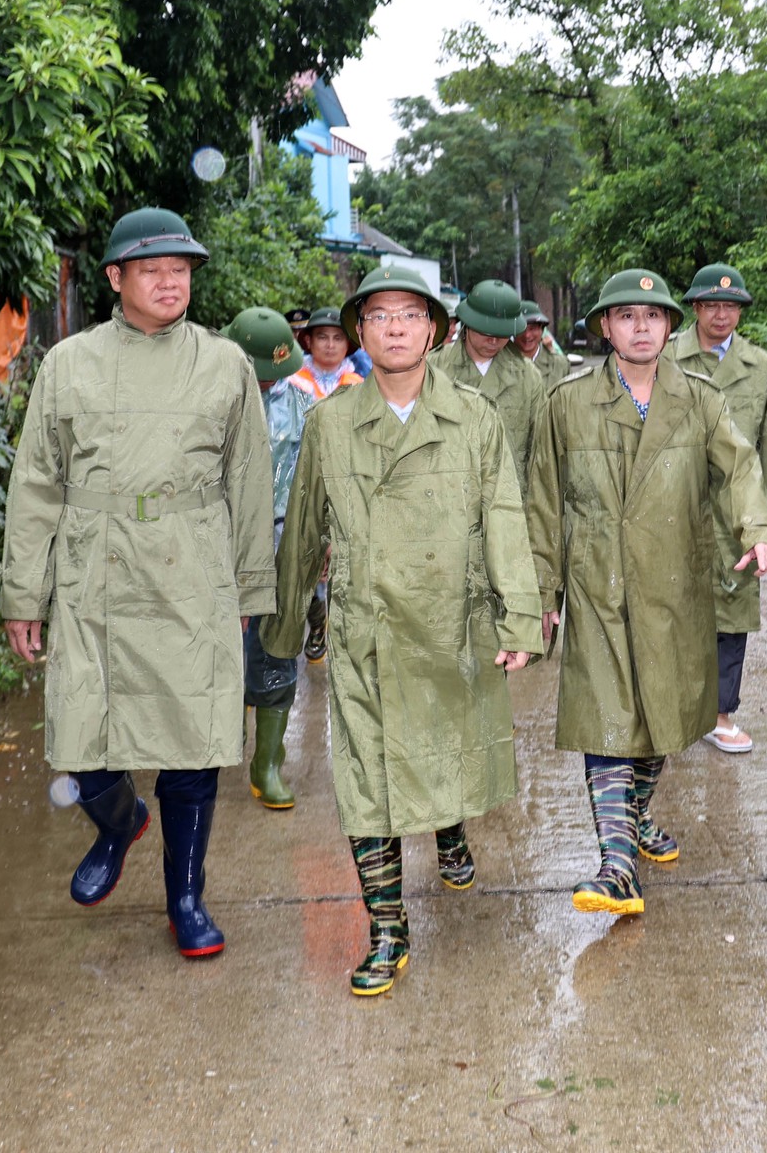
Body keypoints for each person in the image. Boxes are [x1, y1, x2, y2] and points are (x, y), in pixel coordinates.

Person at [0, 208, 274, 958]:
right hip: (94, 569)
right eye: (152, 270)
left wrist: (251, 589)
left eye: (180, 270)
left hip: (192, 570)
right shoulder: (69, 364)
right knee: (82, 737)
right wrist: (24, 594)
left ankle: (186, 897)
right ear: (115, 278)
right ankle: (119, 823)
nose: (169, 282)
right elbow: (36, 484)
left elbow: (250, 483)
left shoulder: (224, 365)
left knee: (192, 744)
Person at [262, 264, 543, 994]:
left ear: (434, 331)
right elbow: (304, 531)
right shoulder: (331, 424)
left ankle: (450, 828)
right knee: (367, 778)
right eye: (379, 316)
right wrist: (286, 626)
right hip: (367, 627)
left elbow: (505, 519)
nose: (394, 328)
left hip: (450, 622)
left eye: (409, 315)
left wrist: (519, 617)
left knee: (443, 754)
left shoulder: (474, 419)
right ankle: (387, 928)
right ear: (360, 331)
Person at [525, 269, 767, 918]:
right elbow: (542, 503)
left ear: (670, 326)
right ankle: (617, 867)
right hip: (597, 583)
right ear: (605, 328)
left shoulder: (699, 399)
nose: (640, 327)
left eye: (652, 316)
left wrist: (759, 529)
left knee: (661, 716)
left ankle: (636, 815)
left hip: (675, 582)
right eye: (626, 316)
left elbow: (741, 466)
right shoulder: (567, 402)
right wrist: (541, 593)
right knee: (607, 716)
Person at [668, 263, 767, 755]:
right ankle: (668, 708)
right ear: (695, 307)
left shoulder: (758, 364)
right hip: (674, 500)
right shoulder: (666, 355)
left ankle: (719, 714)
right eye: (712, 305)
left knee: (732, 611)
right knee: (669, 606)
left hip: (736, 505)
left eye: (730, 306)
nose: (721, 314)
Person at [221, 306, 310, 811]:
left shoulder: (302, 407)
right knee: (220, 646)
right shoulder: (209, 400)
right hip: (219, 542)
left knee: (277, 646)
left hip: (282, 542)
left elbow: (316, 479)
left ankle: (267, 762)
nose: (268, 380)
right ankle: (217, 741)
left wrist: (320, 540)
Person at [283, 307, 365, 665]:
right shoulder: (292, 382)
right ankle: (315, 618)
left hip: (344, 486)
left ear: (349, 345)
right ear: (308, 341)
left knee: (339, 562)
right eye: (322, 337)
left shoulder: (359, 386)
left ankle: (342, 635)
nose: (330, 345)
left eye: (337, 338)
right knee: (299, 559)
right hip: (298, 484)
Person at [435, 279, 550, 494]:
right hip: (449, 497)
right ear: (468, 323)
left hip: (508, 499)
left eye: (502, 333)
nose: (494, 341)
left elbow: (541, 450)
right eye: (486, 332)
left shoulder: (527, 376)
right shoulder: (435, 368)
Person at [515, 299, 574, 386]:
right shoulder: (501, 363)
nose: (527, 335)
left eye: (532, 328)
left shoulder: (560, 365)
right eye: (521, 329)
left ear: (542, 330)